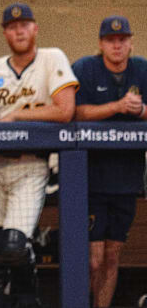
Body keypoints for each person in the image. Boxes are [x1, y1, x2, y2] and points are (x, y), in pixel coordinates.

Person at [0, 3, 78, 308]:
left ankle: (27, 297)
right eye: (12, 26)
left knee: (15, 246)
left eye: (25, 24)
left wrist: (16, 115)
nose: (19, 30)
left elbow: (65, 110)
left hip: (30, 163)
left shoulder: (52, 58)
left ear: (35, 29)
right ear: (5, 32)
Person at [72, 16, 147, 308]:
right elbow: (72, 111)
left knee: (113, 255)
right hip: (91, 178)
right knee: (93, 259)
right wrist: (116, 107)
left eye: (122, 40)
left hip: (127, 180)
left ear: (130, 43)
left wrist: (140, 110)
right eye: (110, 40)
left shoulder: (142, 68)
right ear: (101, 44)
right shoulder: (84, 68)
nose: (117, 45)